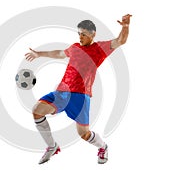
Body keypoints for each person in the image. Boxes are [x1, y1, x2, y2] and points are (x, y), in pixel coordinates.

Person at [25, 14, 132, 164]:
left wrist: (125, 26)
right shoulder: (75, 47)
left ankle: (103, 147)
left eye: (83, 34)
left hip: (80, 96)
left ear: (93, 34)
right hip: (61, 93)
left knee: (84, 134)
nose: (80, 37)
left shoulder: (100, 48)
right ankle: (52, 146)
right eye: (79, 33)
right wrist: (39, 54)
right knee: (37, 110)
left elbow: (121, 40)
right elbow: (59, 53)